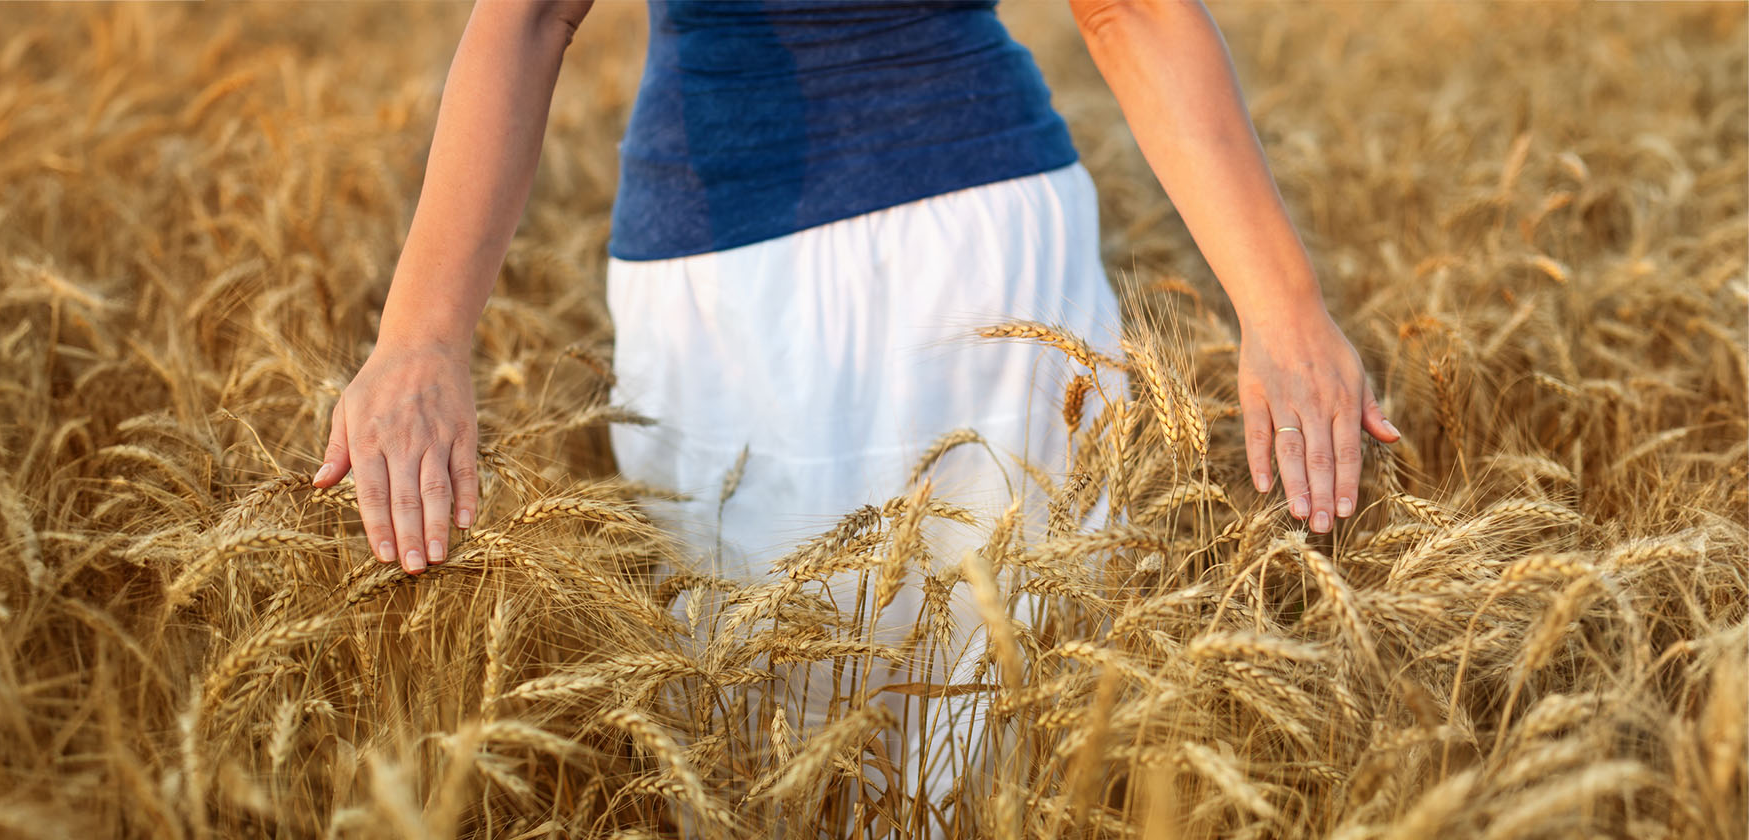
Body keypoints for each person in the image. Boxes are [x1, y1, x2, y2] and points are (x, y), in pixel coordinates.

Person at [309, 0, 1403, 832]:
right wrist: (1282, 307)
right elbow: (1129, 9)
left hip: (730, 287)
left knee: (760, 762)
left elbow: (533, 14)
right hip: (986, 259)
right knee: (1031, 760)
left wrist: (422, 338)